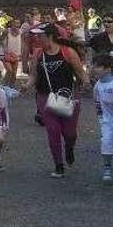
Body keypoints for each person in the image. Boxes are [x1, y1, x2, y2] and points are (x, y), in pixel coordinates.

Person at [21, 23, 89, 179]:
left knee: (69, 133)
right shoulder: (38, 54)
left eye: (40, 35)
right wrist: (26, 85)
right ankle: (58, 165)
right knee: (53, 131)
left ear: (50, 36)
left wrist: (87, 84)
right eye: (36, 36)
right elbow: (33, 76)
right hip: (45, 97)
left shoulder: (68, 52)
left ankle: (69, 147)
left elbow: (80, 72)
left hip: (68, 97)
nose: (37, 38)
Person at [92, 54, 113, 182]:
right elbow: (97, 102)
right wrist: (101, 117)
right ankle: (107, 167)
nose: (94, 69)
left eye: (98, 67)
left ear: (108, 69)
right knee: (107, 142)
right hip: (107, 121)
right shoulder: (98, 86)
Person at [0, 20, 22, 86]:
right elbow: (1, 40)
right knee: (9, 70)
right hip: (7, 54)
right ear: (12, 23)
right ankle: (4, 85)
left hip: (16, 55)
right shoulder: (7, 31)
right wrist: (4, 46)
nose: (16, 24)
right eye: (15, 23)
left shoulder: (21, 32)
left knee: (14, 73)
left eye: (18, 23)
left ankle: (11, 87)